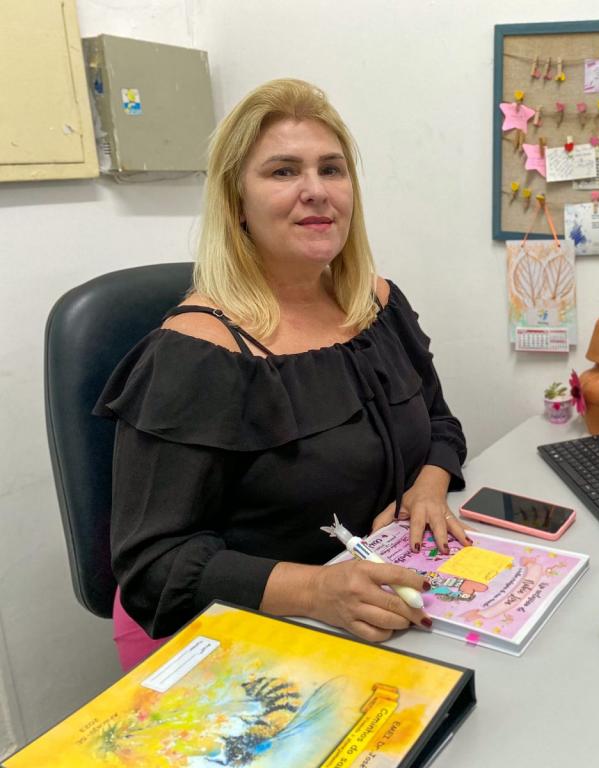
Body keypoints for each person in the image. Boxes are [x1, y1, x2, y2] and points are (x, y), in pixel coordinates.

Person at [95, 78, 470, 671]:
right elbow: (153, 568)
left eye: (331, 169)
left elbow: (441, 424)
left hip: (367, 605)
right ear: (236, 204)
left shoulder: (378, 305)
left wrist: (428, 485)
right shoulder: (195, 354)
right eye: (283, 171)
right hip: (225, 631)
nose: (316, 191)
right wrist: (316, 591)